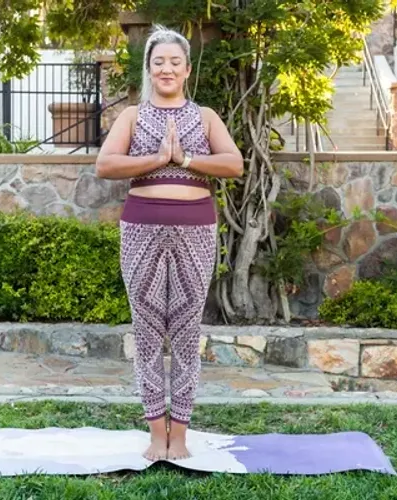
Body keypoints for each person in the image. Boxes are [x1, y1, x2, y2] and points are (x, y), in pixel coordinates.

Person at [96, 25, 243, 462]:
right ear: (149, 68)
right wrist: (157, 160)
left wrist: (185, 159)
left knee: (184, 331)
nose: (166, 68)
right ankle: (155, 433)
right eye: (158, 61)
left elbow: (233, 163)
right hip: (141, 228)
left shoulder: (206, 117)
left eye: (174, 62)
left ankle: (179, 435)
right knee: (146, 333)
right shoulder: (132, 116)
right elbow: (105, 164)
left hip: (196, 229)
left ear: (186, 69)